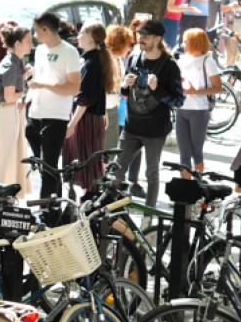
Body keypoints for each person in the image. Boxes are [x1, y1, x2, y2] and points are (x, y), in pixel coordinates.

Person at [119, 19, 184, 208]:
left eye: (146, 36)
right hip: (131, 127)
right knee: (116, 171)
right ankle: (113, 216)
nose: (141, 38)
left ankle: (149, 215)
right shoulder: (133, 58)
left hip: (155, 130)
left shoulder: (170, 65)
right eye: (140, 35)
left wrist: (157, 89)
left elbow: (178, 101)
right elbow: (125, 94)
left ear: (158, 39)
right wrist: (124, 86)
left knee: (152, 174)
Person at [26, 12, 82, 201]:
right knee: (45, 167)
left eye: (36, 31)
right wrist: (28, 96)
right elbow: (37, 79)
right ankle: (55, 206)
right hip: (35, 114)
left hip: (56, 116)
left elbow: (74, 87)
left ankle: (48, 211)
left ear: (45, 29)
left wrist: (42, 85)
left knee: (48, 168)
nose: (34, 36)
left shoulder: (69, 52)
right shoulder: (41, 50)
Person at [62, 22, 113, 190]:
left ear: (90, 36)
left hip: (87, 120)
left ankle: (88, 205)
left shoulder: (91, 62)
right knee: (88, 164)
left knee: (87, 165)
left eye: (81, 33)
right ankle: (86, 203)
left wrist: (71, 124)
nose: (78, 37)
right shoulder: (93, 58)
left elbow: (86, 99)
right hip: (91, 119)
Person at [0, 24, 33, 194]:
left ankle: (3, 195)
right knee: (5, 157)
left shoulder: (15, 62)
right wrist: (27, 89)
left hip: (10, 112)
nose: (31, 44)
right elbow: (10, 95)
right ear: (18, 43)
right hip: (6, 112)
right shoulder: (11, 64)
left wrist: (24, 78)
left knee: (8, 156)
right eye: (28, 41)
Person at [177, 28, 222, 177]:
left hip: (199, 110)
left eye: (185, 41)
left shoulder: (208, 61)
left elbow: (218, 88)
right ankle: (185, 188)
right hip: (181, 109)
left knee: (196, 151)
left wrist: (194, 91)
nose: (182, 44)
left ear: (195, 43)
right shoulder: (182, 60)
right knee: (184, 153)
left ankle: (197, 186)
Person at [104, 24, 134, 152]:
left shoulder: (119, 60)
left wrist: (124, 85)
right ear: (119, 43)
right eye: (128, 44)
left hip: (113, 106)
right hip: (102, 109)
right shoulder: (103, 58)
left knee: (110, 149)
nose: (129, 48)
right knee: (103, 149)